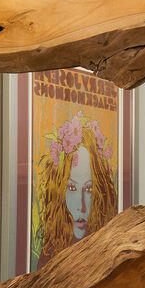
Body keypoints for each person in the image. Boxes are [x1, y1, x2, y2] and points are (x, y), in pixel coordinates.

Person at [32, 112, 117, 266]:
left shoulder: (109, 257)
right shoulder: (48, 260)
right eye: (71, 187)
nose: (81, 206)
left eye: (89, 189)